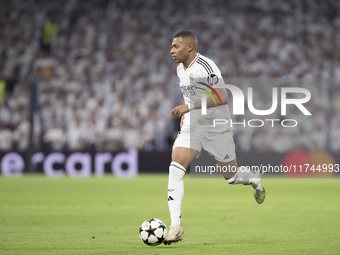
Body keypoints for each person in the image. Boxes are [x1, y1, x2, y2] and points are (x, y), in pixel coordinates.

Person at [163, 31, 266, 245]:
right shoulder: (179, 69)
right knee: (176, 166)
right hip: (193, 125)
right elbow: (190, 94)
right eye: (172, 47)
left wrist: (188, 107)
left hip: (217, 127)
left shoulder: (206, 66)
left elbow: (222, 96)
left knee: (231, 177)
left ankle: (255, 180)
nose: (171, 50)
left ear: (189, 47)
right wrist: (188, 114)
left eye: (175, 46)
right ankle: (175, 227)